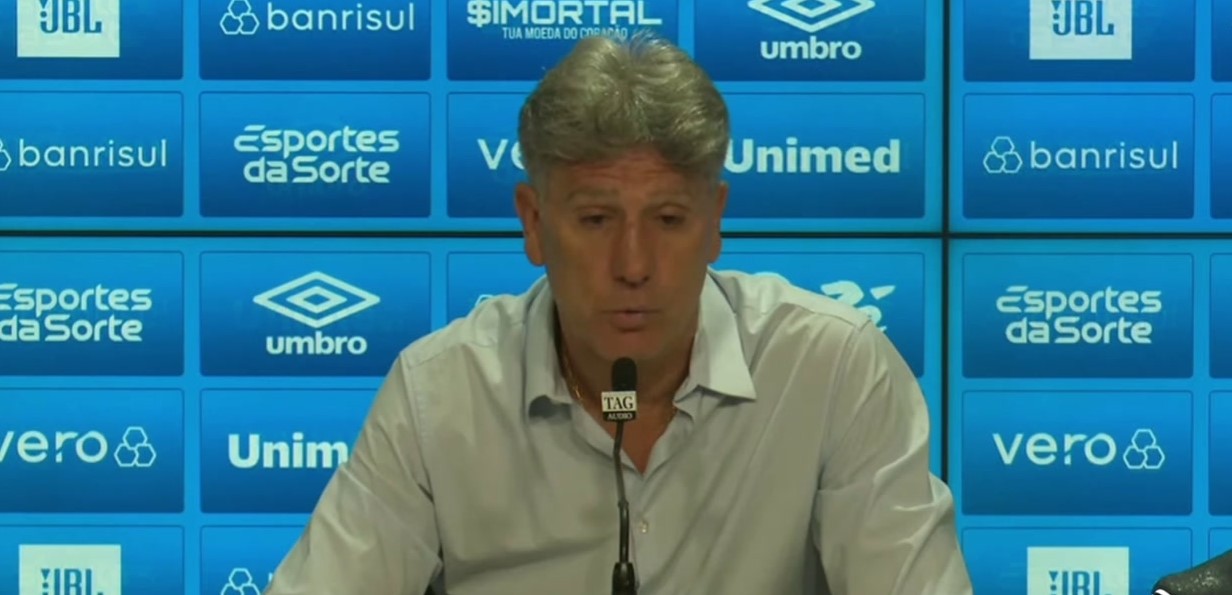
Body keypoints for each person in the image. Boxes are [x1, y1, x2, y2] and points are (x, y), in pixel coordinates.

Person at [263, 31, 973, 595]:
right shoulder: (439, 393)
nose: (634, 264)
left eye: (668, 219)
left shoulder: (833, 369)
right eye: (597, 219)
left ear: (715, 222)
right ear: (534, 223)